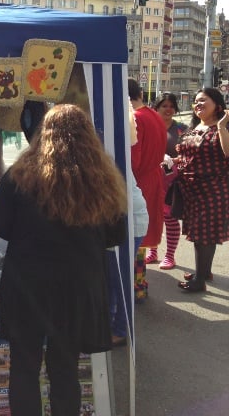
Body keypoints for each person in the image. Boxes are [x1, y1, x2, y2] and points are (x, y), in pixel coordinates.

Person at [0, 104, 127, 416]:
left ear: (43, 133)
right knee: (65, 367)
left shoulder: (21, 173)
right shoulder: (103, 178)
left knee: (24, 366)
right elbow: (115, 235)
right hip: (77, 286)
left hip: (28, 282)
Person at [175, 87, 229, 292]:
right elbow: (188, 156)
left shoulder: (222, 128)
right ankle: (204, 272)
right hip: (192, 191)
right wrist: (173, 161)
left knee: (203, 235)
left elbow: (227, 153)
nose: (198, 104)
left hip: (213, 189)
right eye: (196, 101)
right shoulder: (195, 126)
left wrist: (222, 125)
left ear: (217, 105)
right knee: (203, 234)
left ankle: (199, 281)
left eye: (203, 100)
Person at [108, 104, 148, 347]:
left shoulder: (111, 149)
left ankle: (122, 329)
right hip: (118, 219)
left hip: (128, 219)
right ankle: (111, 323)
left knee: (119, 278)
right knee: (111, 277)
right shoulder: (108, 147)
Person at [129, 78, 166, 302]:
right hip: (154, 177)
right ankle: (140, 285)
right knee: (141, 238)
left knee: (135, 237)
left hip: (140, 180)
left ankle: (138, 286)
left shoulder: (135, 118)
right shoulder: (153, 114)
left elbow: (134, 159)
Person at [145, 93, 188, 270]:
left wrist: (174, 160)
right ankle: (152, 251)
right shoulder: (149, 126)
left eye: (171, 106)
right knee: (151, 215)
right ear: (156, 108)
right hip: (151, 177)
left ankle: (170, 255)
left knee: (170, 217)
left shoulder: (182, 129)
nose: (168, 109)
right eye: (164, 106)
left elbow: (189, 154)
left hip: (172, 180)